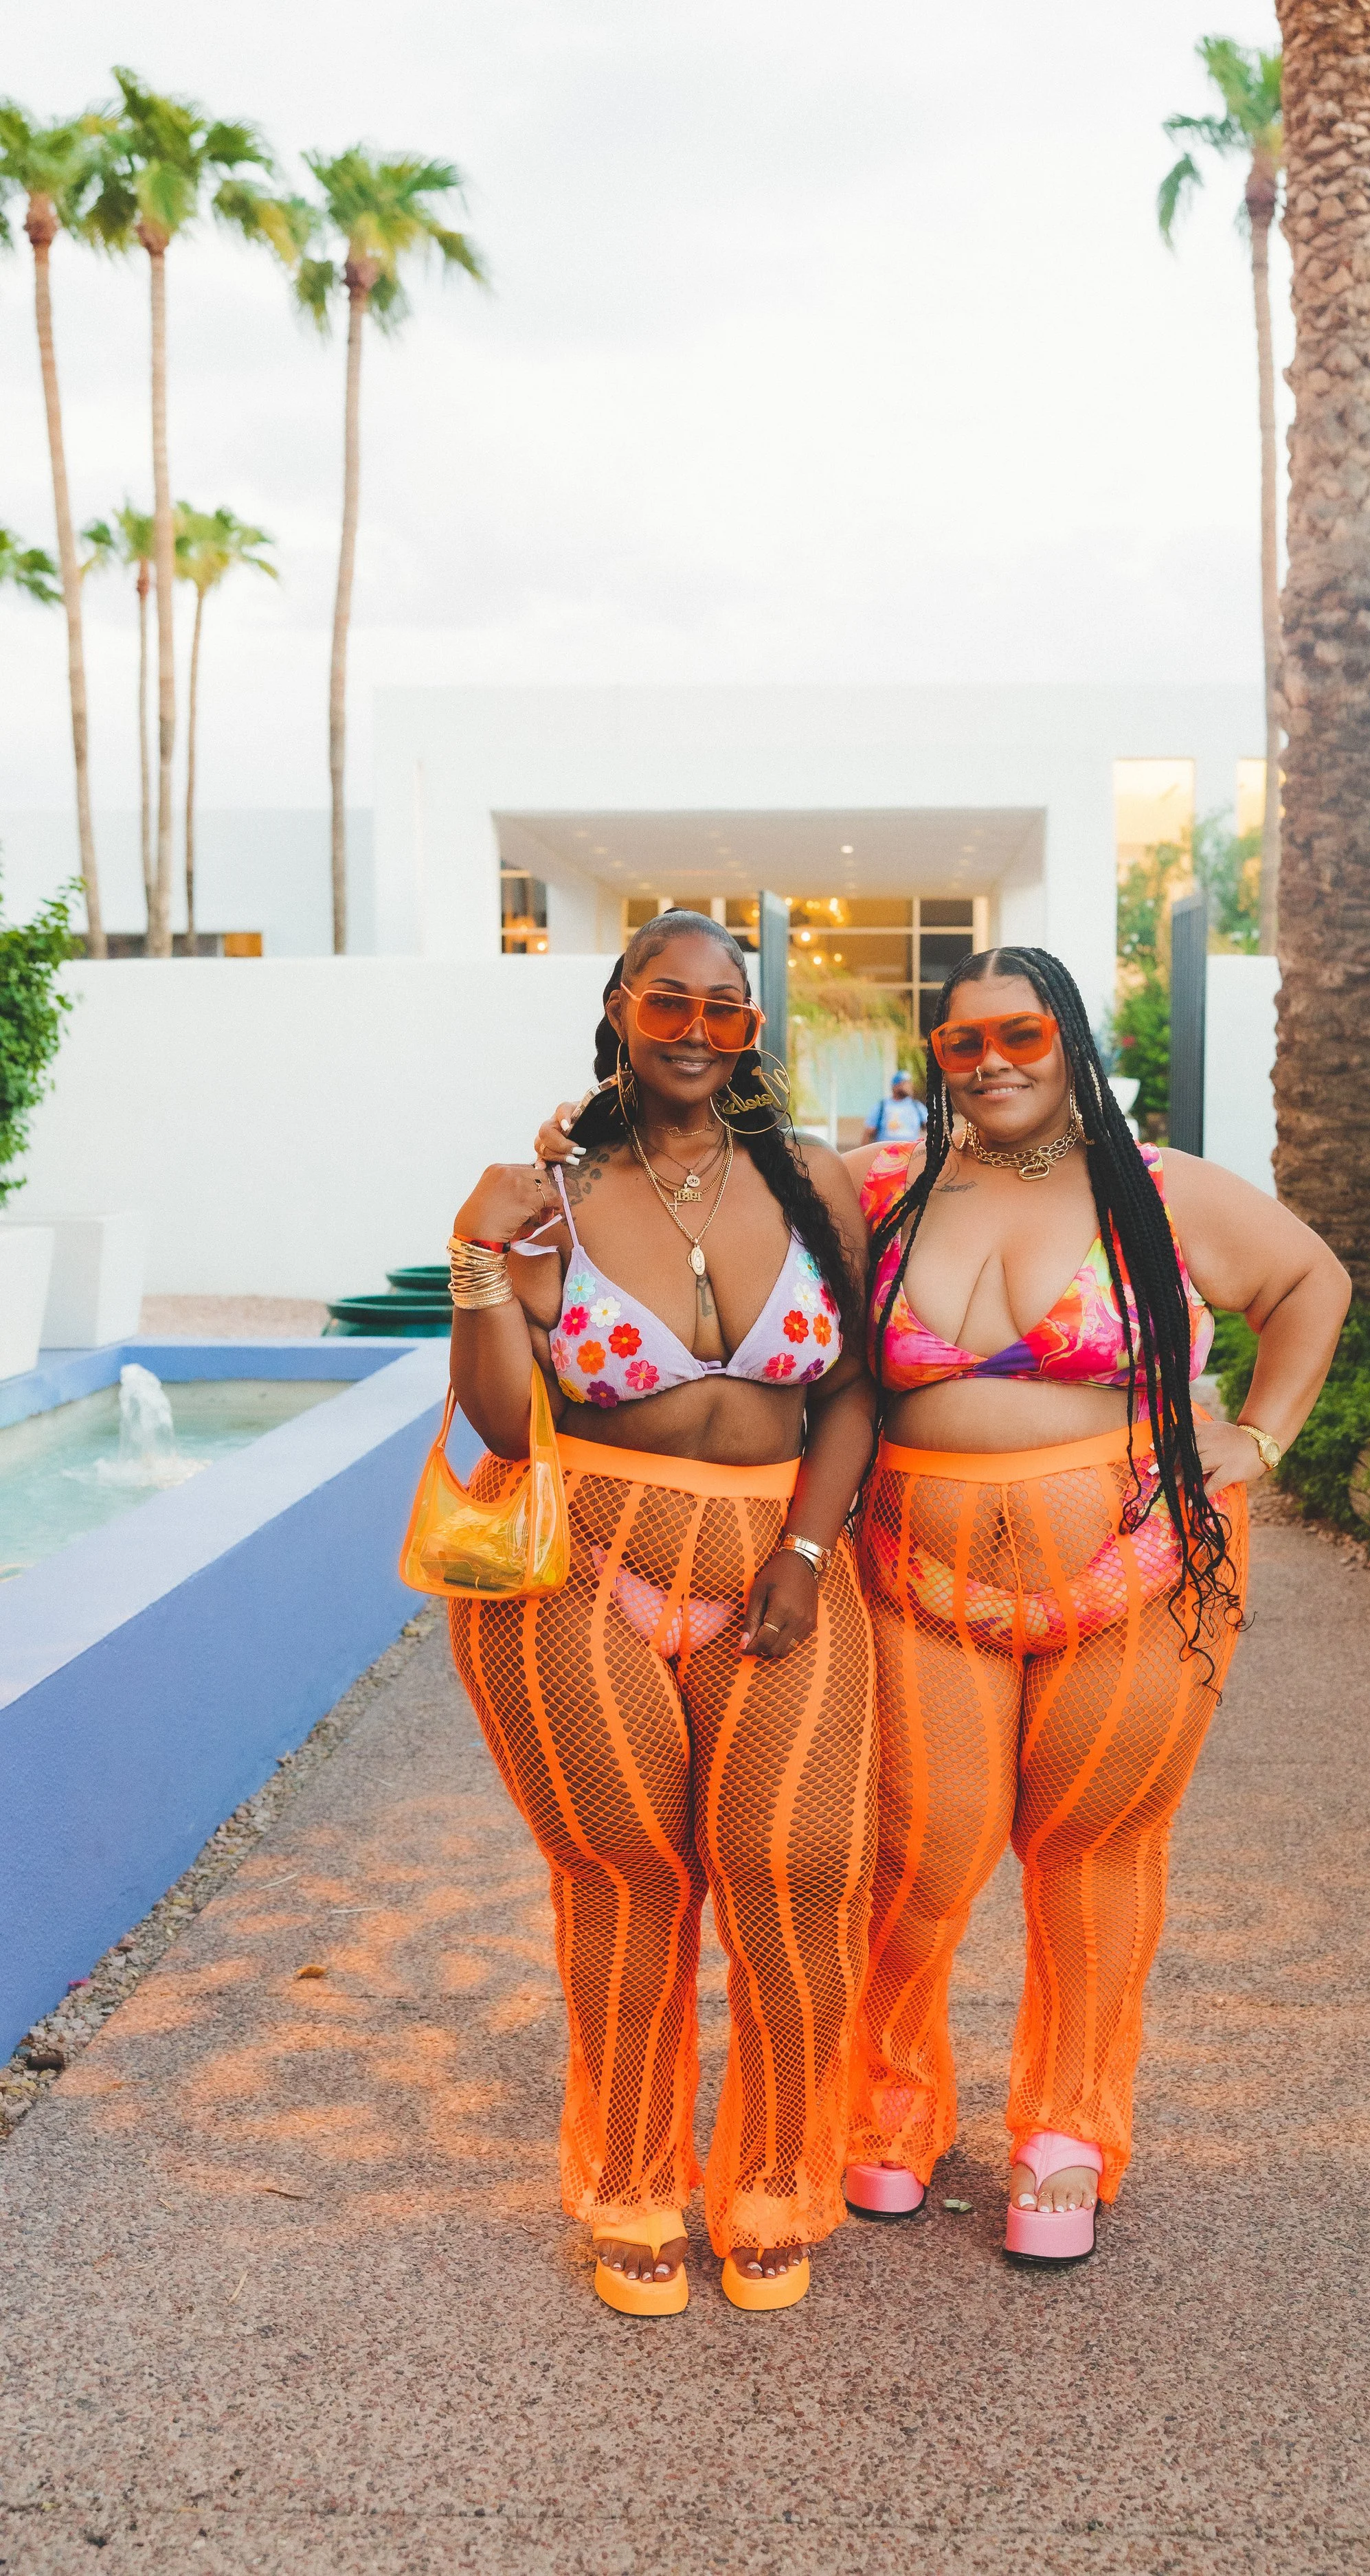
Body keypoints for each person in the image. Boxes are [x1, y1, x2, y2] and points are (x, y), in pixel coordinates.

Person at [837, 945, 1349, 2263]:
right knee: (923, 1850)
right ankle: (889, 2102)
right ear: (936, 1057)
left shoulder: (1158, 1188)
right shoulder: (879, 1189)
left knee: (1092, 1845)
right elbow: (709, 1209)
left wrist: (1265, 1439)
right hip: (917, 1573)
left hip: (1143, 1566)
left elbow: (1310, 1285)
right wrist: (580, 1152)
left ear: (1068, 1037)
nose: (993, 1062)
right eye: (963, 1044)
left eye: (1021, 1033)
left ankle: (1068, 2127)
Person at [451, 912, 876, 2317]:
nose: (696, 1030)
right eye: (668, 1002)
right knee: (623, 1878)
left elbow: (853, 1391)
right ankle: (632, 2178)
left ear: (750, 1030)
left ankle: (768, 2174)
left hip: (774, 1555)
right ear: (619, 1008)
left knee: (794, 1869)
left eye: (726, 1011)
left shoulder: (814, 1179)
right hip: (581, 1569)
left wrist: (808, 1553)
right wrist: (475, 1256)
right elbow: (509, 1417)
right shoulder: (552, 1194)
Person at [864, 1069, 927, 1146]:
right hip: (886, 1153)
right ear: (895, 1086)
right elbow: (868, 1132)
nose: (910, 1086)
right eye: (905, 1083)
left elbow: (931, 1126)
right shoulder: (882, 1106)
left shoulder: (916, 1106)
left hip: (910, 1154)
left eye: (910, 1083)